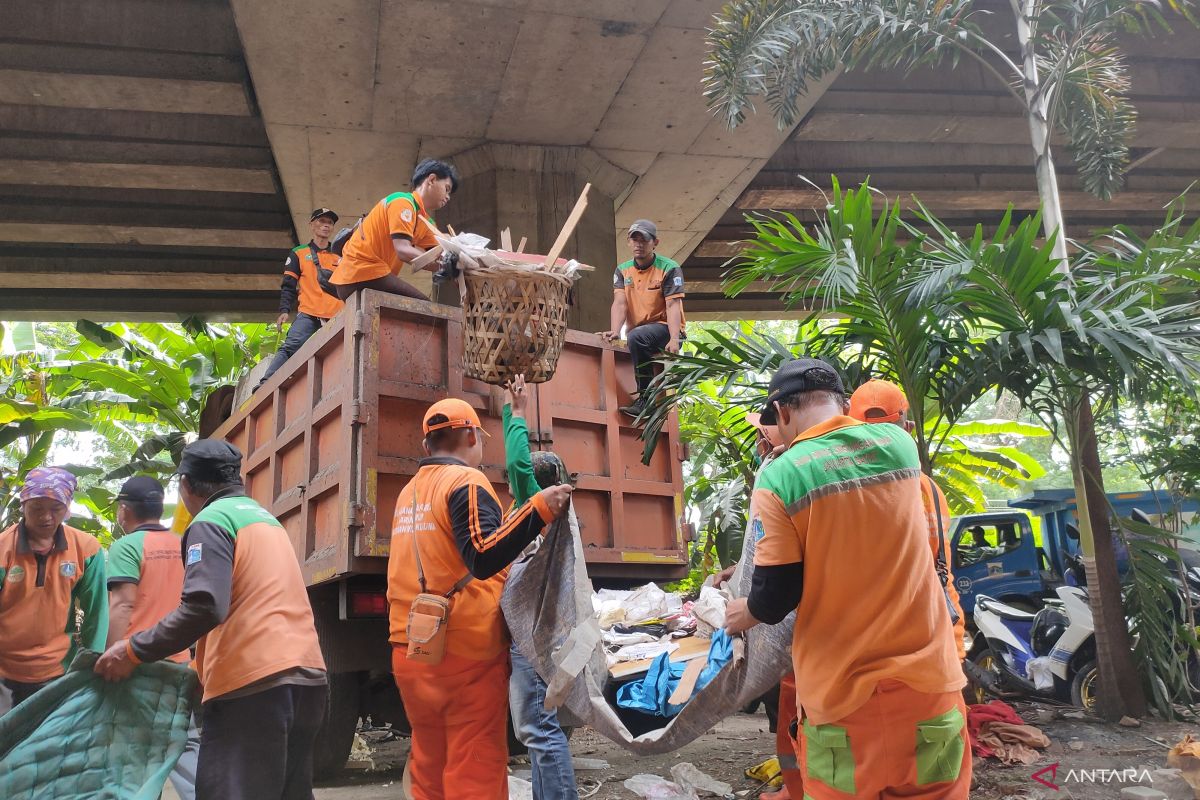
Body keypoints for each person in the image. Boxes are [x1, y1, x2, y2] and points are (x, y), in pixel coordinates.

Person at [724, 358, 969, 800]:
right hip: (929, 690)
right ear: (843, 404)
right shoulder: (899, 446)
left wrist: (744, 612)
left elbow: (775, 594)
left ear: (781, 413)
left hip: (841, 705)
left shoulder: (780, 477)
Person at [95, 440, 327, 800]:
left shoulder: (211, 522)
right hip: (307, 678)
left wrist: (133, 650)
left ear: (186, 485)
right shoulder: (265, 519)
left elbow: (205, 606)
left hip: (253, 685)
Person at [387, 398, 573, 799]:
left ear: (426, 446)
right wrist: (540, 508)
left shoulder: (409, 492)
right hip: (464, 652)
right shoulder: (466, 483)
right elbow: (482, 555)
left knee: (429, 761)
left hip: (412, 650)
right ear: (472, 434)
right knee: (474, 765)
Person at [848, 379, 967, 660]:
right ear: (909, 429)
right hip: (937, 640)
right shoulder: (930, 490)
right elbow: (942, 569)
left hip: (873, 652)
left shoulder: (842, 492)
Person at [503, 375, 576, 800]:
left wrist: (515, 412)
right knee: (537, 728)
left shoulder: (540, 510)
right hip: (543, 634)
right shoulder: (562, 519)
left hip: (533, 640)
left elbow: (516, 466)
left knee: (538, 728)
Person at [105, 475, 199, 800]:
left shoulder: (127, 546)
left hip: (136, 664)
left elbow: (122, 604)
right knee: (184, 745)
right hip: (181, 664)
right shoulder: (183, 544)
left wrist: (109, 657)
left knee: (134, 752)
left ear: (124, 510)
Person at [0, 467, 107, 708]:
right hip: (4, 673)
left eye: (56, 509)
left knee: (46, 743)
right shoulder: (3, 549)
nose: (46, 517)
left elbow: (95, 611)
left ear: (68, 507)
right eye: (37, 508)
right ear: (23, 504)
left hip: (58, 671)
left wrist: (93, 662)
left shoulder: (86, 549)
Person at [329, 159, 459, 301]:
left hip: (372, 275)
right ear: (432, 180)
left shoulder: (425, 221)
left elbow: (439, 253)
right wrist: (444, 266)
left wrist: (452, 265)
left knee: (423, 307)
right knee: (424, 307)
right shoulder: (402, 202)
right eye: (446, 189)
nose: (448, 197)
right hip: (360, 271)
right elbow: (403, 250)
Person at [600, 220, 685, 418]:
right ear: (629, 242)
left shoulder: (669, 268)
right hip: (640, 332)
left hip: (666, 329)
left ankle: (645, 399)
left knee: (637, 336)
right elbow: (620, 303)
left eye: (644, 240)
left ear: (655, 242)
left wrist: (674, 338)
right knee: (636, 336)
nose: (638, 244)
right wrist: (615, 330)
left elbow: (673, 305)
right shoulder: (622, 270)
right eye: (634, 239)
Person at [258, 207, 345, 387]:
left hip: (338, 314)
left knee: (344, 350)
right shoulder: (298, 252)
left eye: (330, 223)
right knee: (290, 347)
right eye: (321, 221)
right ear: (312, 225)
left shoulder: (340, 254)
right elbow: (289, 284)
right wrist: (284, 310)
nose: (326, 226)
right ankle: (266, 383)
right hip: (309, 312)